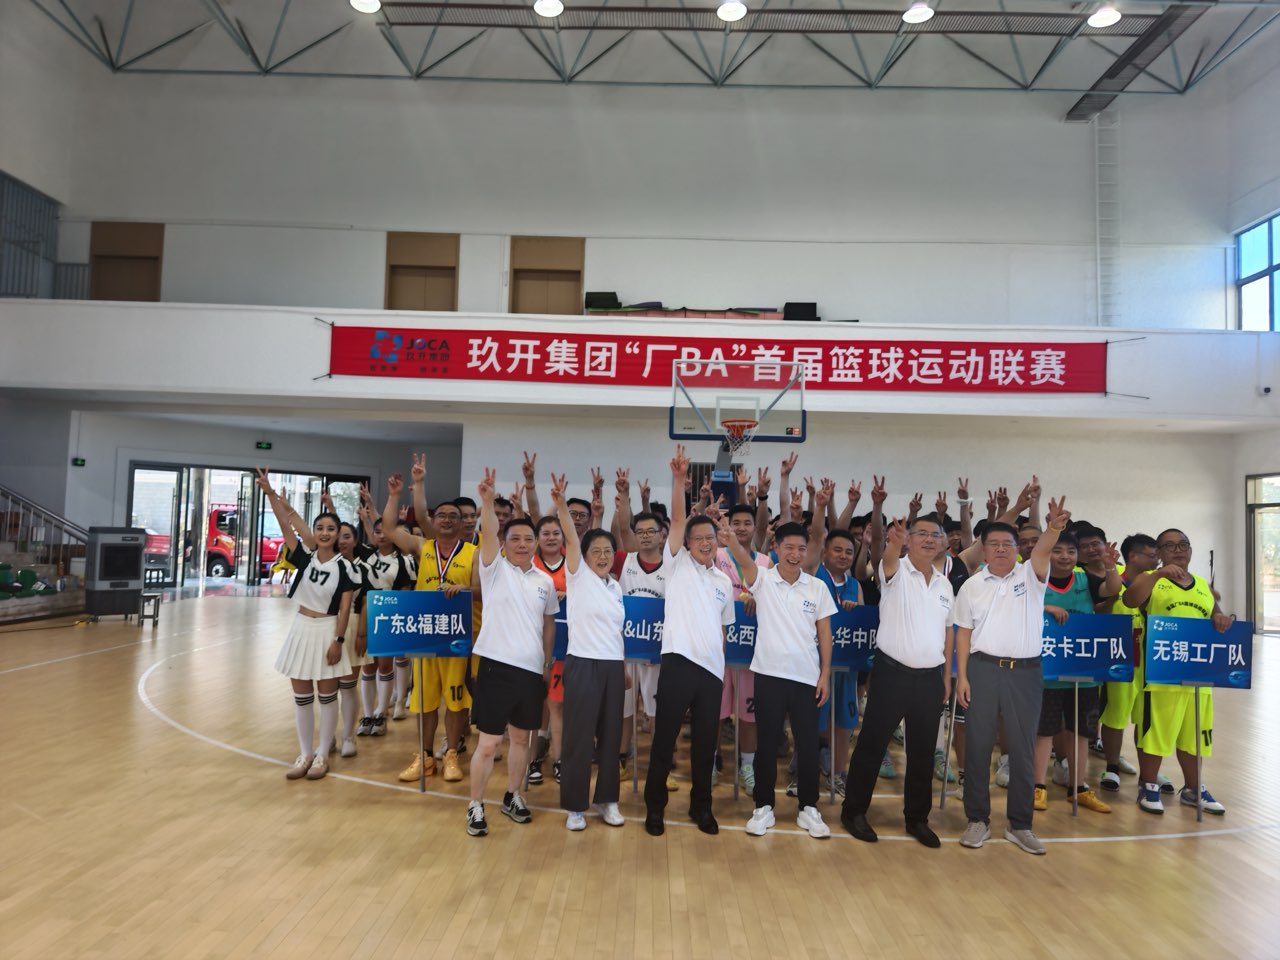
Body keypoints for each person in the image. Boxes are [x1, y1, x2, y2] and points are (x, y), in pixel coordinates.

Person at [955, 496, 1070, 856]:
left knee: (1022, 749)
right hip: (983, 669)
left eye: (1008, 543)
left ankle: (1020, 825)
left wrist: (1053, 528)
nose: (1001, 549)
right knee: (977, 746)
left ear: (1018, 549)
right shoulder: (971, 585)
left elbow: (1044, 548)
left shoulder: (1031, 575)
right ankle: (977, 820)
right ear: (984, 550)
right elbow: (963, 633)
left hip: (1025, 673)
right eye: (994, 544)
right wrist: (962, 677)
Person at [723, 504, 836, 840]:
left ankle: (808, 808)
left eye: (801, 548)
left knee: (808, 744)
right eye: (789, 547)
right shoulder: (763, 580)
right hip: (769, 676)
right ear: (776, 548)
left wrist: (824, 675)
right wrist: (729, 537)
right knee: (767, 742)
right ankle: (763, 806)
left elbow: (825, 633)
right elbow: (742, 558)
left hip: (806, 679)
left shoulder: (816, 587)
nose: (795, 554)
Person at [842, 515, 954, 847]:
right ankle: (853, 812)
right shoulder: (895, 570)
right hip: (892, 673)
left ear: (943, 542)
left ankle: (917, 818)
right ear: (909, 540)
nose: (929, 539)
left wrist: (946, 676)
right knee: (872, 745)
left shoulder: (945, 584)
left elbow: (948, 632)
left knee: (922, 751)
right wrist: (894, 541)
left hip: (930, 677)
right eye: (921, 534)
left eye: (935, 535)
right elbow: (888, 558)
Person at [642, 445, 735, 837]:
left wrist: (721, 667)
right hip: (678, 663)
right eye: (698, 538)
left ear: (717, 541)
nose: (705, 542)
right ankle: (655, 809)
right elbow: (679, 518)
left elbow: (724, 631)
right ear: (687, 542)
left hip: (711, 671)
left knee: (705, 746)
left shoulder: (723, 581)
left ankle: (702, 808)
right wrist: (679, 480)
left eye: (710, 537)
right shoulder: (676, 564)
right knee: (665, 741)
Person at [466, 468, 559, 836]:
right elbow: (489, 530)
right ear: (503, 544)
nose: (522, 544)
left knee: (521, 739)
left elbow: (549, 625)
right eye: (515, 538)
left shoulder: (545, 582)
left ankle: (512, 795)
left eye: (528, 539)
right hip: (495, 668)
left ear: (536, 544)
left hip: (530, 672)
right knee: (489, 743)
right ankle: (475, 804)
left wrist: (546, 661)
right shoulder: (493, 569)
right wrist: (488, 502)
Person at [1122, 528, 1234, 816]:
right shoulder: (1150, 579)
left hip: (1198, 675)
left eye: (1183, 544)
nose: (1178, 550)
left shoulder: (1202, 585)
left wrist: (1221, 618)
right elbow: (1130, 600)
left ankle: (1194, 789)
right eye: (1170, 546)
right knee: (1155, 734)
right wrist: (1158, 575)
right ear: (1159, 553)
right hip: (1160, 675)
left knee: (1194, 737)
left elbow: (1215, 614)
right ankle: (1148, 786)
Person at [256, 468, 357, 782]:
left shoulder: (346, 568)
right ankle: (305, 753)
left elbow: (345, 609)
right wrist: (270, 493)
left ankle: (323, 754)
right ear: (314, 532)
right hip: (301, 628)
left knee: (327, 697)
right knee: (301, 697)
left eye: (331, 529)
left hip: (328, 631)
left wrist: (338, 640)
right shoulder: (304, 556)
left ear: (338, 535)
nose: (325, 533)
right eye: (320, 528)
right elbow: (285, 524)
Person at [543, 473, 628, 830]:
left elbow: (617, 632)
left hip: (612, 666)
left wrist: (623, 667)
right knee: (578, 738)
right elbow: (571, 538)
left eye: (608, 552)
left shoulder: (616, 588)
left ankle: (607, 800)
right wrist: (562, 505)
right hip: (582, 664)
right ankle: (575, 806)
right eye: (597, 551)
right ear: (585, 555)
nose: (604, 557)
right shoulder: (578, 576)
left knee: (611, 738)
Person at [383, 473, 479, 784]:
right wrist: (395, 495)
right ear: (433, 521)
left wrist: (465, 590)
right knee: (424, 701)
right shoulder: (422, 546)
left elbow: (483, 592)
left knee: (455, 700)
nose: (448, 520)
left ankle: (451, 753)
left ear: (463, 523)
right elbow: (388, 529)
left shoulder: (473, 553)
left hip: (457, 635)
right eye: (443, 515)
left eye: (454, 516)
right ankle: (424, 757)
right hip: (425, 633)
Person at [1033, 532, 1118, 814]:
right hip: (1047, 672)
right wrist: (1047, 606)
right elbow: (1020, 605)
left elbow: (1112, 590)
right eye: (1058, 551)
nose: (1065, 556)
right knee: (1043, 731)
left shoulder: (1084, 579)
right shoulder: (1036, 578)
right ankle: (1038, 786)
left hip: (1082, 670)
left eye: (1071, 551)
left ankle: (1078, 787)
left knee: (1082, 731)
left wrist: (1110, 567)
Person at [714, 503, 771, 793]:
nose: (741, 528)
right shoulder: (717, 555)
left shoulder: (766, 562)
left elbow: (773, 599)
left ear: (755, 527)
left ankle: (748, 764)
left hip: (750, 650)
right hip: (720, 648)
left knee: (750, 714)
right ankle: (712, 760)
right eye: (735, 522)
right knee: (715, 711)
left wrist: (759, 600)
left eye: (747, 523)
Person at [1097, 533, 1158, 791]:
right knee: (1115, 715)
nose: (1156, 561)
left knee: (1147, 719)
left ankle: (1150, 774)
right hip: (1120, 660)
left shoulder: (1159, 586)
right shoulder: (1115, 584)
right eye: (1152, 556)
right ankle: (1111, 766)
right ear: (1133, 556)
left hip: (1153, 662)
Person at [815, 528, 861, 795]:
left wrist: (855, 612)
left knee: (843, 723)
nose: (844, 556)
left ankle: (839, 773)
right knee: (812, 722)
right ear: (825, 552)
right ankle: (805, 770)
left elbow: (862, 622)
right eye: (838, 550)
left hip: (846, 666)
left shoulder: (855, 585)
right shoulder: (815, 577)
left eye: (849, 552)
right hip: (817, 665)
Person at [529, 515, 568, 786]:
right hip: (531, 644)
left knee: (556, 704)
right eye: (546, 533)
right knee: (534, 705)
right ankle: (532, 760)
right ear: (537, 537)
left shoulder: (574, 564)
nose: (551, 538)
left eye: (556, 533)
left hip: (562, 645)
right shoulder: (528, 563)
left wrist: (569, 595)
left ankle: (559, 760)